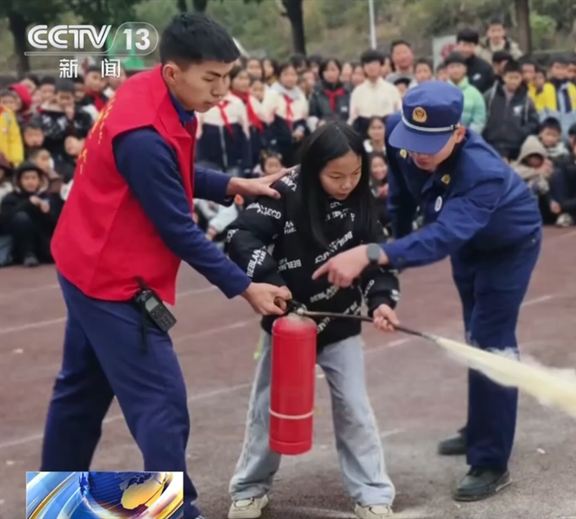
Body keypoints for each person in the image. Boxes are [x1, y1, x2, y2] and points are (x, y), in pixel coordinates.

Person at [40, 14, 292, 519]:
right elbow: (178, 228)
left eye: (227, 77)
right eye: (211, 79)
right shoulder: (144, 135)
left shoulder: (150, 91)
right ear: (174, 71)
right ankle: (175, 512)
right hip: (113, 280)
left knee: (81, 393)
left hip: (81, 256)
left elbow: (171, 173)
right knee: (162, 403)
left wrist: (230, 185)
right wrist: (247, 287)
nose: (221, 92)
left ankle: (57, 505)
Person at [314, 81, 542, 502]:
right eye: (411, 140)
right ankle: (481, 426)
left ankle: (491, 459)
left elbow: (441, 237)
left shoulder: (483, 173)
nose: (417, 152)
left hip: (507, 248)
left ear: (458, 133)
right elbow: (401, 198)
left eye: (429, 145)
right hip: (468, 246)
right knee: (475, 333)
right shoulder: (405, 141)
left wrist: (374, 254)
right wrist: (391, 263)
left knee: (491, 343)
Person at [225, 123, 400, 519]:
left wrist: (382, 301)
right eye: (335, 175)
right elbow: (240, 237)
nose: (346, 184)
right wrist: (271, 283)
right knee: (268, 407)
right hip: (286, 324)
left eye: (355, 174)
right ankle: (249, 488)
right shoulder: (284, 191)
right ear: (312, 167)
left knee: (354, 406)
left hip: (340, 322)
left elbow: (377, 255)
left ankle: (373, 492)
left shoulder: (361, 197)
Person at [0, 162, 62, 266]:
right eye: (26, 178)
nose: (30, 182)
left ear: (40, 180)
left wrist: (46, 213)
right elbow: (6, 221)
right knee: (21, 217)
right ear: (19, 181)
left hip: (44, 246)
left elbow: (57, 224)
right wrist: (28, 203)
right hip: (18, 248)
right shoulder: (10, 198)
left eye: (34, 178)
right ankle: (28, 254)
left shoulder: (49, 197)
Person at [482, 60, 540, 161]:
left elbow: (534, 121)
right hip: (491, 143)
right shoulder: (490, 96)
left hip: (515, 147)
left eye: (516, 78)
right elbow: (481, 115)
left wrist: (521, 132)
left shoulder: (526, 99)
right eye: (510, 77)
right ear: (504, 77)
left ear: (521, 78)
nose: (513, 81)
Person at [443, 52, 487, 134]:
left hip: (467, 139)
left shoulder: (475, 94)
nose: (455, 70)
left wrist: (466, 136)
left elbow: (479, 120)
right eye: (452, 67)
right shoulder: (440, 92)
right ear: (446, 70)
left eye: (458, 66)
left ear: (465, 69)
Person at [455, 29, 496, 93]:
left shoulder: (485, 68)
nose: (466, 49)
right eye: (464, 45)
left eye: (470, 46)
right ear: (457, 45)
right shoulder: (449, 66)